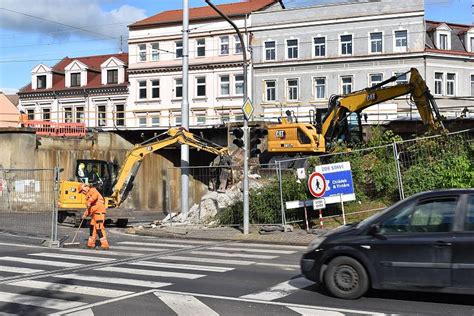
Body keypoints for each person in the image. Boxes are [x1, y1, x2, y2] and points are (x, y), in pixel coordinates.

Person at [78, 183, 109, 250]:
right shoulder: (87, 196)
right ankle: (91, 244)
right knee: (92, 227)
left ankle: (105, 245)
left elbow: (95, 196)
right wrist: (85, 214)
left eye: (82, 190)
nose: (83, 192)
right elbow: (88, 208)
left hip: (99, 213)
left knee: (99, 228)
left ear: (86, 187)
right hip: (94, 214)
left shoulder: (93, 190)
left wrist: (89, 201)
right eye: (81, 192)